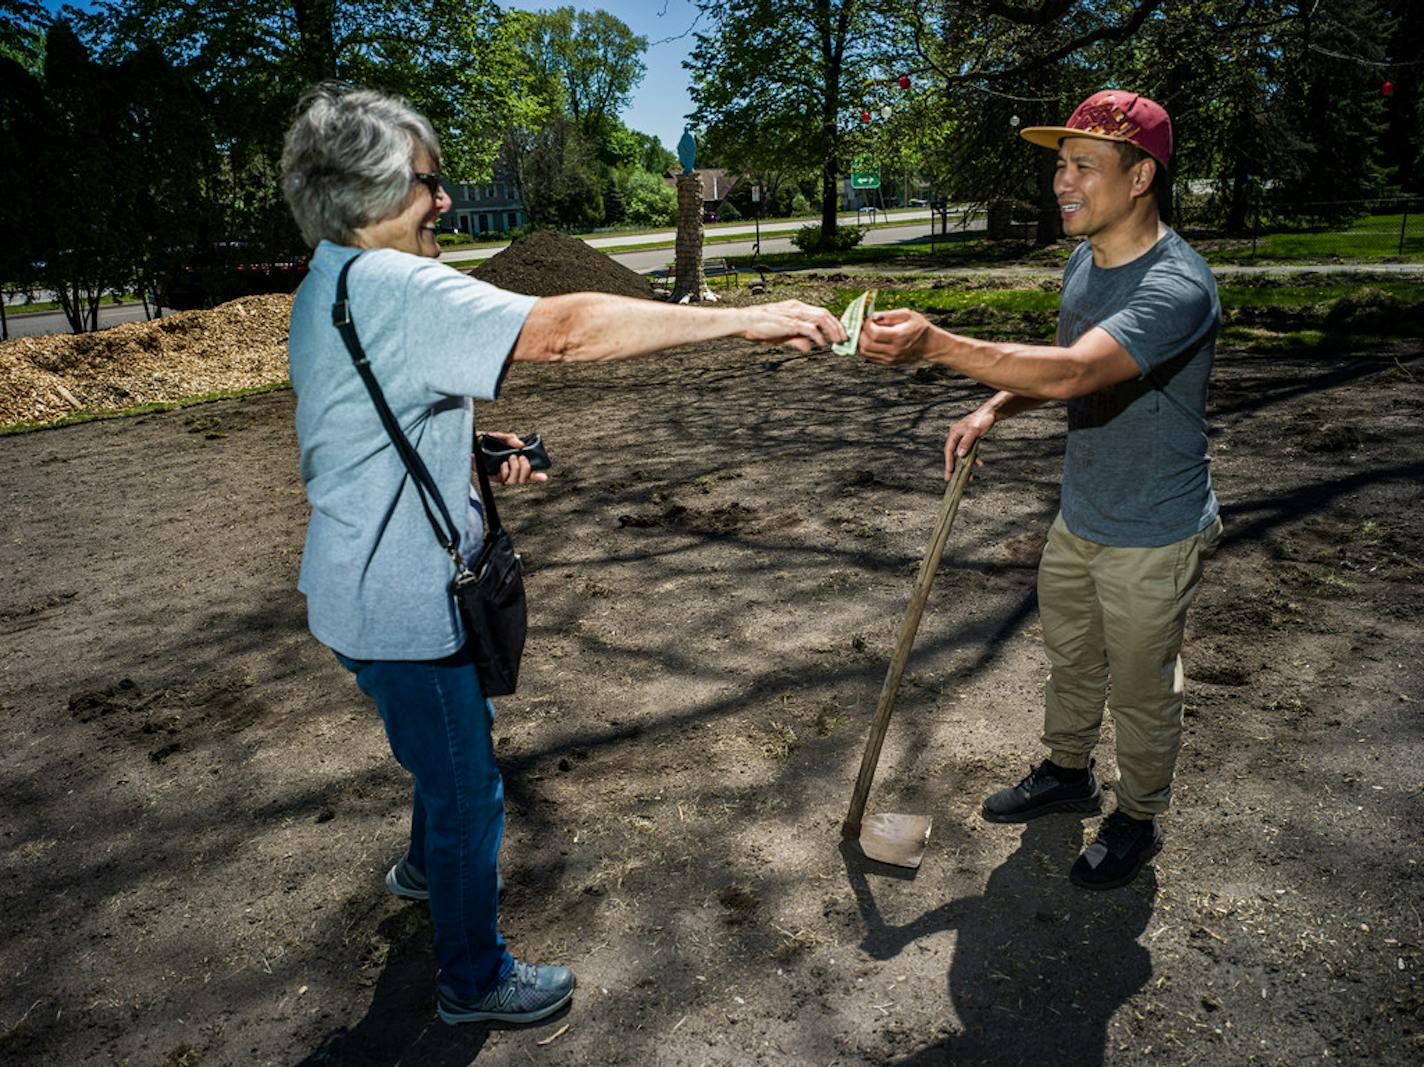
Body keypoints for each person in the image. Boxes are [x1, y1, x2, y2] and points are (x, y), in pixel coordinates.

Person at [280, 84, 844, 1026]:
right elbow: (566, 330)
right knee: (470, 792)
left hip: (349, 594)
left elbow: (363, 422)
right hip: (406, 607)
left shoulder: (330, 278)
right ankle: (473, 980)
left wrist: (471, 452)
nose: (446, 200)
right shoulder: (398, 283)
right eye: (430, 182)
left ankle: (424, 869)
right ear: (372, 191)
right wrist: (744, 318)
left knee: (441, 757)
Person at [857, 90, 1221, 891]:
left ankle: (1137, 815)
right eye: (1061, 163)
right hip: (1082, 510)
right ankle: (1067, 773)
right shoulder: (1086, 261)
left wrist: (940, 345)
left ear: (1140, 177)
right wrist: (993, 404)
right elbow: (1058, 368)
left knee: (1141, 686)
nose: (1062, 180)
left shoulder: (1177, 287)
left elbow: (1080, 371)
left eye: (1084, 164)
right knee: (1071, 659)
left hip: (1154, 530)